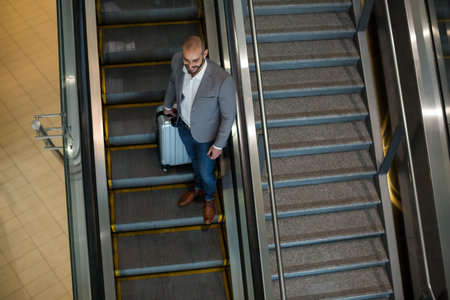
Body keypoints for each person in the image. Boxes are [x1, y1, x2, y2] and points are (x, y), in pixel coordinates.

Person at [163, 36, 236, 224]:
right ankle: (197, 187)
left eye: (195, 61)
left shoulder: (222, 80)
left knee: (206, 173)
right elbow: (173, 81)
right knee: (193, 160)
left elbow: (228, 116)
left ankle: (209, 199)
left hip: (207, 137)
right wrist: (167, 105)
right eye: (187, 61)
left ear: (205, 54)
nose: (190, 65)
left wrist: (219, 145)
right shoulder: (177, 60)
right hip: (184, 126)